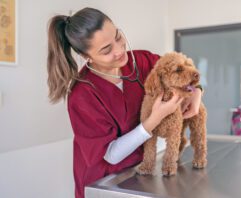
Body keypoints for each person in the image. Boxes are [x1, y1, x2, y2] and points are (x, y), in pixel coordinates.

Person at [46, 7, 202, 198]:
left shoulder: (142, 61)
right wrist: (154, 119)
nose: (120, 50)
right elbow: (111, 155)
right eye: (106, 50)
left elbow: (182, 72)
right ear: (87, 57)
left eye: (118, 37)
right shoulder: (82, 96)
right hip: (105, 183)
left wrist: (196, 92)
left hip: (139, 172)